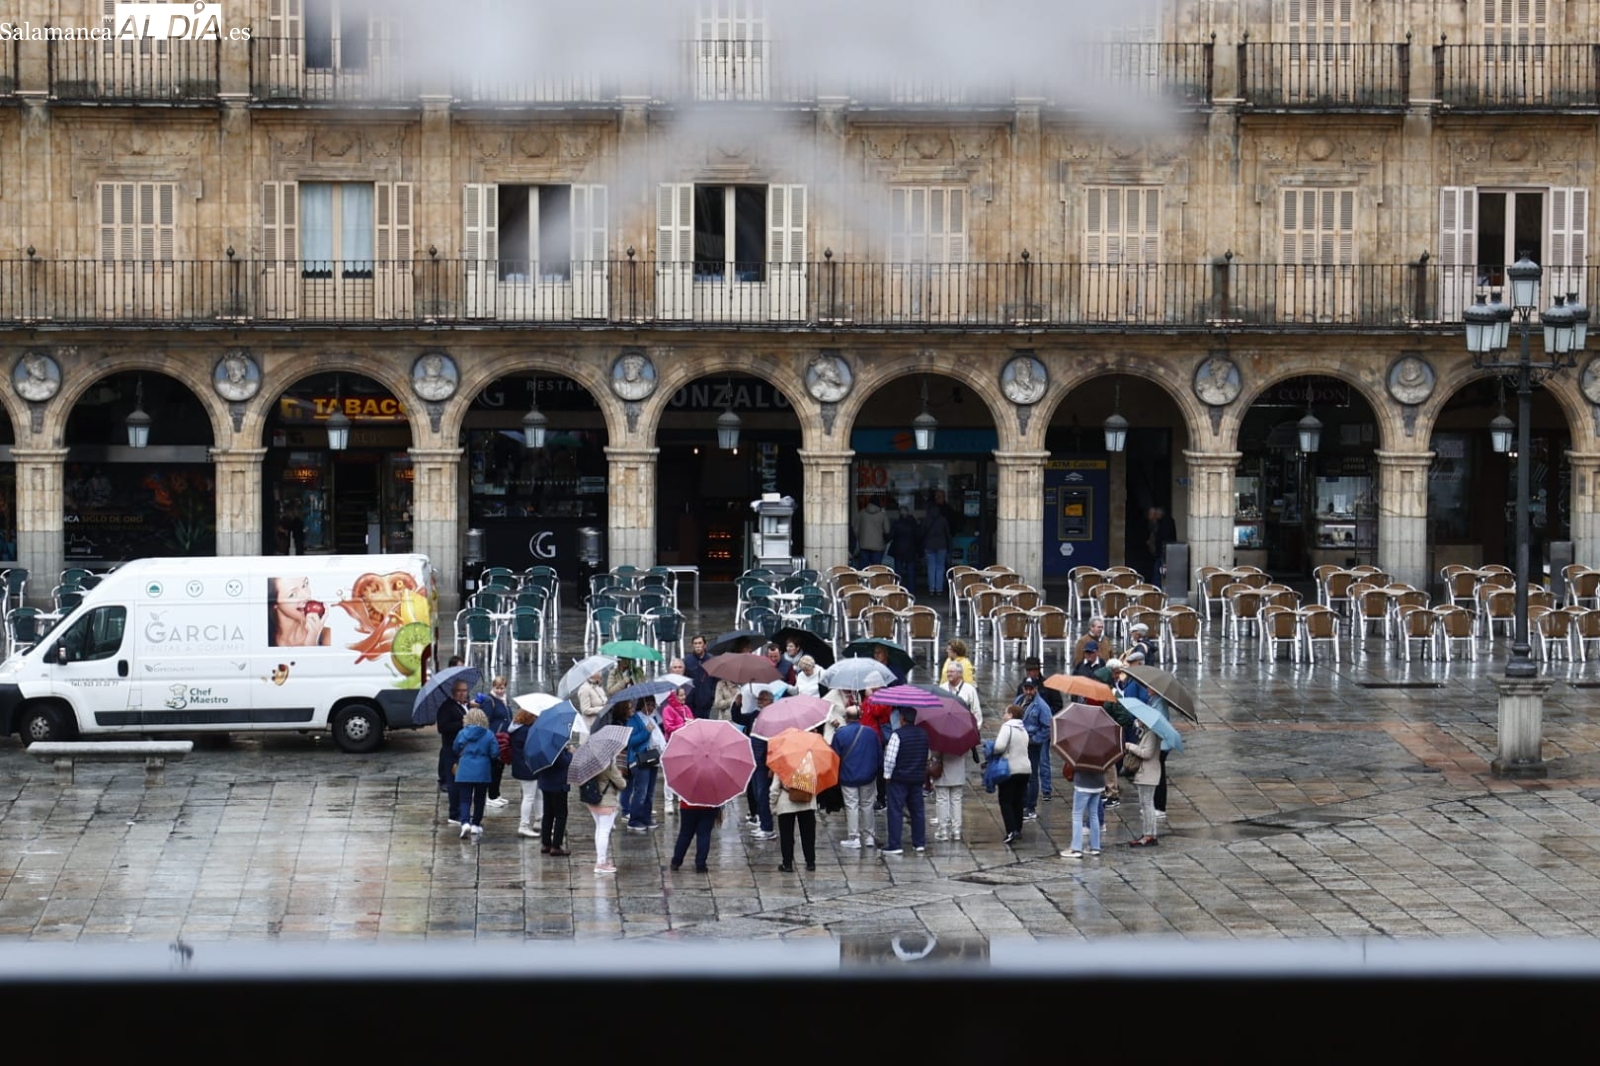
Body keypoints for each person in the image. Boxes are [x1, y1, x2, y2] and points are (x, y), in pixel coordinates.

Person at [932, 661, 981, 843]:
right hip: (947, 749)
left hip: (956, 748)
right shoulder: (942, 688)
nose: (949, 674)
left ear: (960, 674)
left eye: (952, 671)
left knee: (952, 795)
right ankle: (946, 829)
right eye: (948, 671)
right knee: (945, 796)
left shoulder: (969, 690)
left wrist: (969, 736)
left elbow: (977, 716)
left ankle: (954, 829)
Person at [880, 706, 929, 856]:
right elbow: (925, 756)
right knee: (917, 811)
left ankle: (895, 844)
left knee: (895, 811)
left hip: (899, 779)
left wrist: (887, 776)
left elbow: (890, 758)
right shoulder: (923, 734)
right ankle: (919, 842)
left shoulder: (897, 735)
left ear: (902, 719)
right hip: (916, 778)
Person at [831, 705, 882, 849]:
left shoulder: (840, 734)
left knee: (851, 805)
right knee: (867, 805)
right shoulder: (871, 733)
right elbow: (879, 755)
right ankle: (869, 836)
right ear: (860, 717)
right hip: (868, 775)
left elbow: (834, 757)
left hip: (848, 776)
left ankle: (854, 837)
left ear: (846, 718)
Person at [452, 708, 499, 839]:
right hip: (482, 771)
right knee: (479, 799)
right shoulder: (489, 734)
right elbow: (495, 753)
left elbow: (455, 748)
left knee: (465, 799)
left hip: (464, 770)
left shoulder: (462, 733)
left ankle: (465, 822)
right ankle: (476, 824)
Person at [770, 752, 820, 873]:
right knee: (808, 834)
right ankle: (810, 862)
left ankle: (787, 864)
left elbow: (774, 789)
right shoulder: (810, 761)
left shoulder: (782, 763)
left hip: (785, 803)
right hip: (807, 803)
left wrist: (773, 806)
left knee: (786, 835)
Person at [991, 703, 1033, 845]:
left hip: (1010, 769)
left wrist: (992, 750)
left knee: (1005, 800)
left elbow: (999, 746)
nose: (1004, 715)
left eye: (1005, 713)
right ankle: (1018, 829)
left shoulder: (1007, 727)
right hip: (1025, 769)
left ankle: (1010, 830)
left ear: (1010, 715)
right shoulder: (1023, 729)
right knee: (1018, 800)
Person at [582, 752, 628, 876]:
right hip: (606, 801)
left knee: (599, 829)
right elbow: (622, 784)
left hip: (593, 800)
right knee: (604, 831)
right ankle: (601, 863)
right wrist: (617, 772)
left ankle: (601, 860)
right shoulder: (607, 764)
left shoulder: (588, 762)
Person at [1014, 676, 1053, 821]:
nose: (1028, 691)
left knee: (1032, 776)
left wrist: (1034, 739)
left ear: (1036, 689)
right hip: (1019, 743)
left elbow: (1048, 727)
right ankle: (1023, 803)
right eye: (1026, 688)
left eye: (1031, 688)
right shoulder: (1019, 700)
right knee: (1021, 775)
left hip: (1032, 746)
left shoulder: (1041, 706)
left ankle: (1030, 807)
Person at [436, 679, 473, 826]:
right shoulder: (447, 708)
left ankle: (462, 812)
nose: (463, 693)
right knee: (454, 783)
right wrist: (461, 723)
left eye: (465, 690)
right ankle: (454, 813)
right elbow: (443, 728)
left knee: (463, 782)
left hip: (464, 750)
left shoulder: (466, 706)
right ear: (454, 692)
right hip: (452, 750)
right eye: (460, 691)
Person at [622, 700, 661, 833]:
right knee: (641, 792)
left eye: (652, 705)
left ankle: (646, 818)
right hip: (639, 760)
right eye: (648, 704)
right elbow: (631, 741)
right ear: (642, 705)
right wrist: (646, 731)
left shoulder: (653, 719)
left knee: (649, 792)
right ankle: (634, 821)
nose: (650, 708)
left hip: (653, 759)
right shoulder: (634, 720)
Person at [475, 676, 513, 809]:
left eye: (502, 688)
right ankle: (491, 796)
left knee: (499, 768)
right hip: (494, 739)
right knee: (493, 768)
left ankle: (496, 794)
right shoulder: (489, 701)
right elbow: (484, 720)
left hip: (503, 739)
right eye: (497, 688)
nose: (499, 691)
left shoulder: (504, 700)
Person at [1126, 719, 1162, 847]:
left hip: (1148, 774)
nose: (1137, 721)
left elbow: (1147, 753)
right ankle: (1149, 833)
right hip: (1146, 773)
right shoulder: (1147, 732)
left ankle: (1148, 835)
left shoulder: (1151, 734)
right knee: (1146, 804)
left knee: (1147, 804)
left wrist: (1131, 746)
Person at [1059, 761, 1107, 860]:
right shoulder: (1102, 747)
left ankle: (1075, 848)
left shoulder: (1080, 748)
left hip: (1083, 783)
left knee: (1077, 815)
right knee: (1094, 814)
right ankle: (1095, 847)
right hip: (1098, 783)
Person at [508, 708, 542, 839]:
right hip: (527, 768)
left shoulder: (517, 728)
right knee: (529, 797)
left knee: (538, 794)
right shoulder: (525, 731)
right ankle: (524, 825)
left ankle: (540, 820)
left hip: (524, 767)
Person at [268, 575, 330, 647]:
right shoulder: (261, 640)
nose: (306, 596)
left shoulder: (327, 638)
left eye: (304, 585)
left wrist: (312, 641)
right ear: (273, 603)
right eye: (292, 594)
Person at [537, 742, 573, 857]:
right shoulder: (555, 745)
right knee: (561, 815)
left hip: (545, 782)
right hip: (558, 784)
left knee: (548, 814)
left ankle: (546, 843)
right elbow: (563, 762)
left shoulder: (541, 745)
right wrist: (570, 753)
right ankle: (556, 846)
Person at [669, 797, 718, 874]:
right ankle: (700, 864)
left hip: (687, 805)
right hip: (709, 805)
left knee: (685, 834)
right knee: (704, 835)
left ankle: (676, 862)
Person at [921, 500, 951, 596]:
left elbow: (921, 533)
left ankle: (931, 589)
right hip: (942, 546)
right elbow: (948, 534)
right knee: (940, 567)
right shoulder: (943, 519)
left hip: (929, 546)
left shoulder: (926, 520)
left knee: (931, 567)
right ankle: (939, 589)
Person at [889, 508, 921, 593]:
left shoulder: (896, 523)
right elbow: (918, 535)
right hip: (910, 550)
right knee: (911, 573)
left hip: (898, 550)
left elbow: (891, 535)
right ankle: (911, 591)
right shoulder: (913, 523)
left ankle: (897, 589)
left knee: (898, 572)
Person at [684, 635, 715, 721]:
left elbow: (716, 679)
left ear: (705, 645)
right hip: (691, 700)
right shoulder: (687, 661)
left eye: (700, 643)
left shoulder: (711, 660)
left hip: (706, 700)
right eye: (695, 643)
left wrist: (711, 695)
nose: (697, 646)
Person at [854, 495, 891, 566]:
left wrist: (860, 538)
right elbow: (887, 531)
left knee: (863, 568)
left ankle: (864, 577)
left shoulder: (861, 513)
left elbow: (855, 530)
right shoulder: (882, 515)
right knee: (876, 569)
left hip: (863, 545)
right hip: (878, 546)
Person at [1146, 506, 1178, 587]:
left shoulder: (1165, 524)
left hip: (1163, 553)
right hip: (1163, 553)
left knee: (1158, 575)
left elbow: (1164, 539)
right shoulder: (1162, 522)